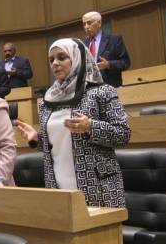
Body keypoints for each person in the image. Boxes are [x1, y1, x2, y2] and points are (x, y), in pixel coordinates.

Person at [16, 38, 130, 208]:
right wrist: (36, 139)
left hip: (98, 189)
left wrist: (91, 126)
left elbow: (123, 134)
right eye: (51, 60)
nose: (55, 63)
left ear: (77, 58)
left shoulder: (102, 92)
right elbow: (59, 145)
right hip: (58, 188)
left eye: (61, 57)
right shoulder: (48, 100)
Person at [82, 11, 131, 88]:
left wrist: (108, 65)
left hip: (111, 87)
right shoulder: (82, 44)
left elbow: (125, 63)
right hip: (90, 89)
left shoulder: (114, 40)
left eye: (89, 23)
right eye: (84, 24)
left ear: (99, 23)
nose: (86, 27)